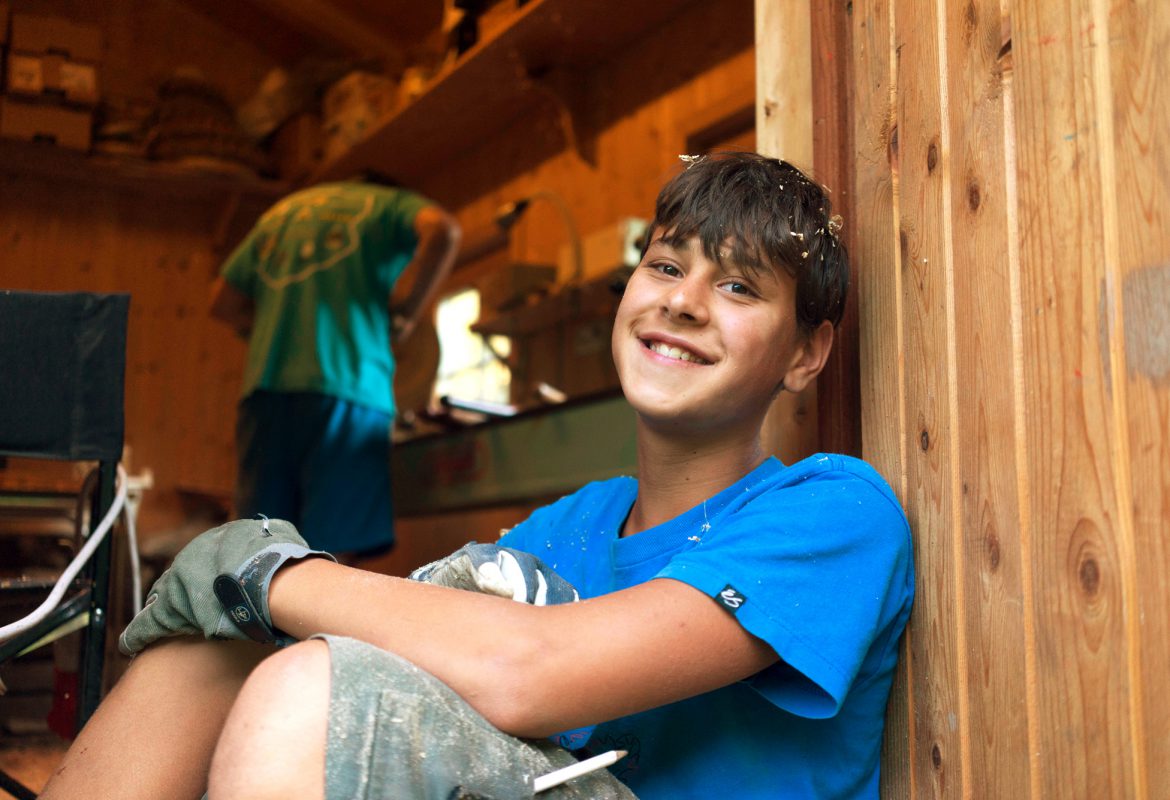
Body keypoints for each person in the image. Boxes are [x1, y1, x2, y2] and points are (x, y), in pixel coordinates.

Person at [41, 152, 913, 799]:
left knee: (314, 689)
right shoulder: (568, 527)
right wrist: (249, 600)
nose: (681, 300)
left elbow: (523, 669)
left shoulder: (835, 512)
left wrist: (269, 571)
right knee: (216, 644)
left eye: (739, 288)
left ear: (806, 353)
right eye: (667, 264)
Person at [208, 176, 460, 561]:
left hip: (266, 392)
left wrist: (272, 329)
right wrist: (408, 312)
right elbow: (443, 231)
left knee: (258, 553)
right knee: (332, 554)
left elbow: (222, 302)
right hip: (348, 384)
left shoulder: (281, 214)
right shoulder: (389, 204)